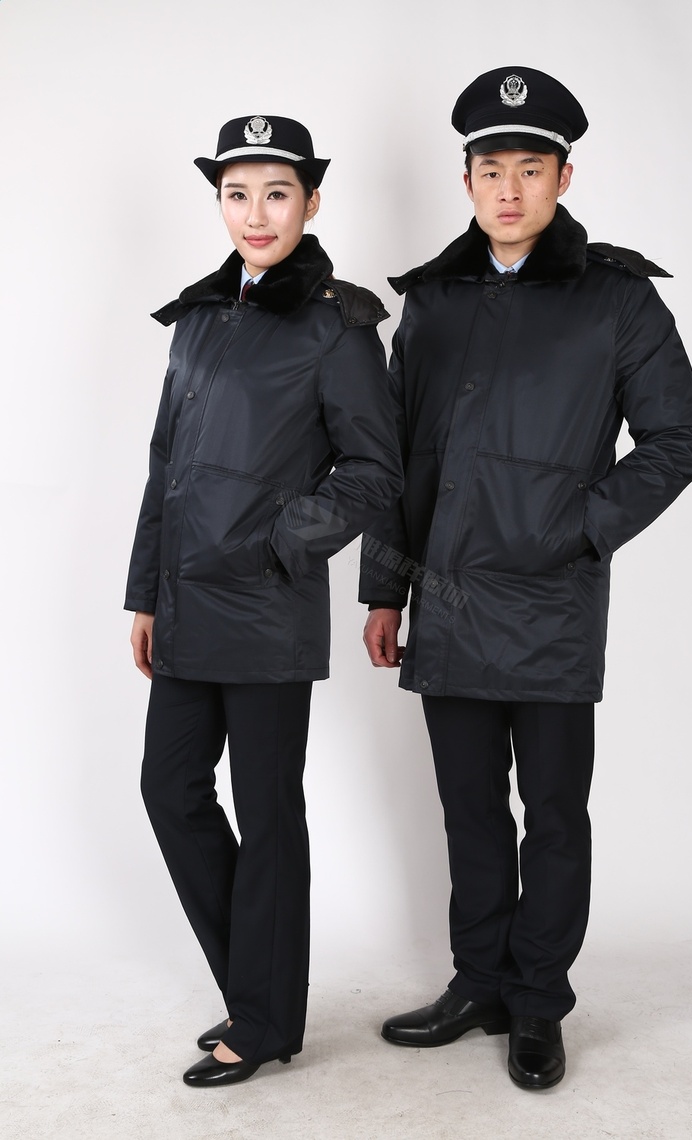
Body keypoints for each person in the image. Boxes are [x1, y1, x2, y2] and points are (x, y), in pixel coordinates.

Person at [360, 67, 692, 1090]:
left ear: (563, 175)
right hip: (446, 600)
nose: (507, 189)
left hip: (553, 604)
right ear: (466, 179)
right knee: (468, 810)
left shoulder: (617, 298)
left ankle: (537, 1002)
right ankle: (478, 981)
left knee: (553, 814)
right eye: (489, 169)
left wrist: (580, 528)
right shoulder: (431, 303)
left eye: (528, 168)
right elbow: (393, 457)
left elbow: (679, 437)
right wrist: (385, 588)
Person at [125, 114, 402, 1088]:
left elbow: (375, 470)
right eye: (237, 194)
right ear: (219, 204)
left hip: (267, 608)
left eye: (276, 193)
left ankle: (263, 1016)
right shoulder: (201, 316)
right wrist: (143, 593)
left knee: (267, 812)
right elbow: (165, 466)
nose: (256, 213)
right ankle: (260, 992)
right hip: (184, 604)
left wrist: (284, 537)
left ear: (310, 203)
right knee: (168, 790)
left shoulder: (338, 324)